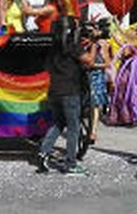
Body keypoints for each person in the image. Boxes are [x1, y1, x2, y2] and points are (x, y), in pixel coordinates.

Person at [36, 15, 92, 176]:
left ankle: (43, 152)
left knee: (58, 123)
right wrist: (94, 46)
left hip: (54, 91)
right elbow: (88, 60)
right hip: (70, 91)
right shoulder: (72, 46)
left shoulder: (53, 48)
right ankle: (70, 164)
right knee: (73, 127)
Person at [84, 19, 114, 144]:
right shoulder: (87, 43)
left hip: (95, 76)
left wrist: (93, 66)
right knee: (93, 107)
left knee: (95, 106)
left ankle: (93, 132)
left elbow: (107, 62)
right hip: (90, 75)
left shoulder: (103, 44)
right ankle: (92, 131)